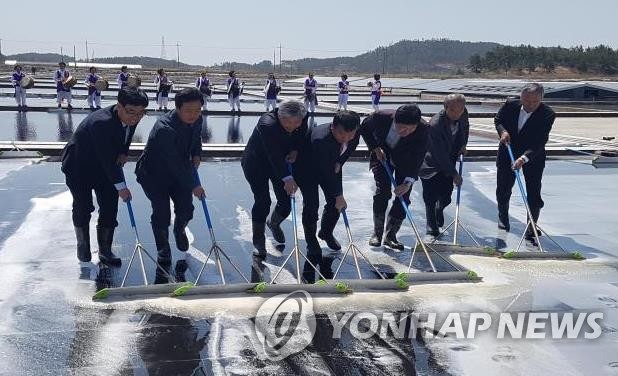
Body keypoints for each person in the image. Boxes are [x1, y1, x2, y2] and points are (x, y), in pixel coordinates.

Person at [60, 87, 149, 265]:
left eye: (141, 113)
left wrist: (124, 151)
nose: (135, 117)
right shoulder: (102, 123)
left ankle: (105, 251)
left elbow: (127, 134)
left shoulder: (132, 116)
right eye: (131, 112)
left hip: (104, 167)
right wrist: (122, 188)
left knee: (109, 206)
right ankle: (83, 247)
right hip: (79, 166)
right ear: (119, 106)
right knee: (83, 206)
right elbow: (108, 160)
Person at [135, 88, 205, 270]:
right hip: (154, 175)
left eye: (197, 110)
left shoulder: (197, 119)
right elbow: (174, 163)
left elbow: (196, 138)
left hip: (180, 169)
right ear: (178, 108)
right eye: (188, 111)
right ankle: (163, 249)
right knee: (162, 212)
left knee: (186, 209)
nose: (193, 115)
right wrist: (194, 185)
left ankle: (179, 229)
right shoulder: (164, 128)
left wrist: (197, 154)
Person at [295, 111, 361, 282]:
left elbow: (347, 150)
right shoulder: (320, 139)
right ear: (333, 127)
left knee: (335, 204)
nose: (345, 138)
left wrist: (340, 162)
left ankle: (325, 232)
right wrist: (339, 194)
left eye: (350, 134)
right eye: (341, 134)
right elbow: (325, 171)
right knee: (312, 204)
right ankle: (311, 242)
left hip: (331, 166)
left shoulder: (354, 135)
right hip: (307, 169)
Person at [241, 101, 308, 257]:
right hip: (256, 163)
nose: (292, 126)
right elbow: (273, 154)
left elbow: (301, 135)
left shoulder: (302, 118)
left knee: (286, 203)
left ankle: (274, 223)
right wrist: (288, 178)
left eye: (296, 122)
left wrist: (296, 150)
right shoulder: (267, 124)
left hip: (282, 162)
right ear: (279, 116)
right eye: (287, 122)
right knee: (262, 201)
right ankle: (258, 240)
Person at [359, 104, 429, 249]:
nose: (405, 131)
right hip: (382, 156)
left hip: (406, 162)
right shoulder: (380, 117)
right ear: (394, 120)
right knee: (382, 192)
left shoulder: (424, 129)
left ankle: (391, 235)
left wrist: (408, 182)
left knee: (403, 197)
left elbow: (419, 156)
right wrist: (375, 147)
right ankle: (377, 234)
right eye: (400, 127)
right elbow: (364, 127)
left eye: (410, 129)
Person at [495, 83, 555, 240]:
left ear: (541, 99)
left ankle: (531, 225)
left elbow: (540, 141)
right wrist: (503, 131)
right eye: (526, 100)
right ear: (521, 97)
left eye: (535, 101)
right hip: (508, 150)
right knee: (503, 186)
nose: (530, 105)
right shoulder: (510, 105)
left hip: (533, 155)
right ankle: (503, 217)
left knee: (533, 190)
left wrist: (523, 158)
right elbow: (498, 119)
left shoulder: (547, 114)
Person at [419, 94, 470, 236]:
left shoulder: (462, 114)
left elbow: (465, 128)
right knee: (430, 196)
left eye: (461, 110)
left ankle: (439, 209)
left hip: (450, 159)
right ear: (445, 108)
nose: (457, 113)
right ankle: (431, 225)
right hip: (431, 163)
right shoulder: (435, 124)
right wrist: (454, 174)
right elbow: (439, 153)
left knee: (446, 196)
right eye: (453, 110)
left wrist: (463, 144)